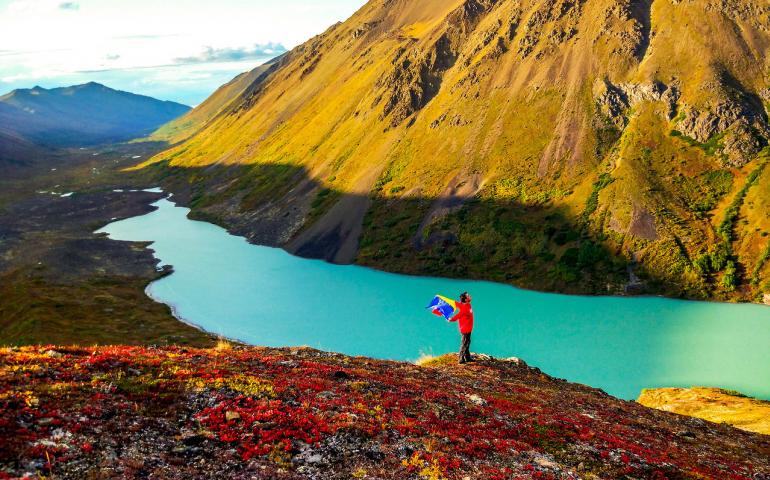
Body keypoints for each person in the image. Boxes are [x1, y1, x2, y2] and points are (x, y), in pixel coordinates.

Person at [449, 292, 474, 364]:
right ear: (466, 299)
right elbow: (458, 316)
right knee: (464, 343)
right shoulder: (464, 308)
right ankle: (461, 359)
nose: (470, 296)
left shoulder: (468, 305)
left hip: (469, 328)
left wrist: (454, 302)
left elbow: (458, 304)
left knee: (467, 342)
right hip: (465, 329)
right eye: (468, 296)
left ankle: (467, 358)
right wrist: (451, 319)